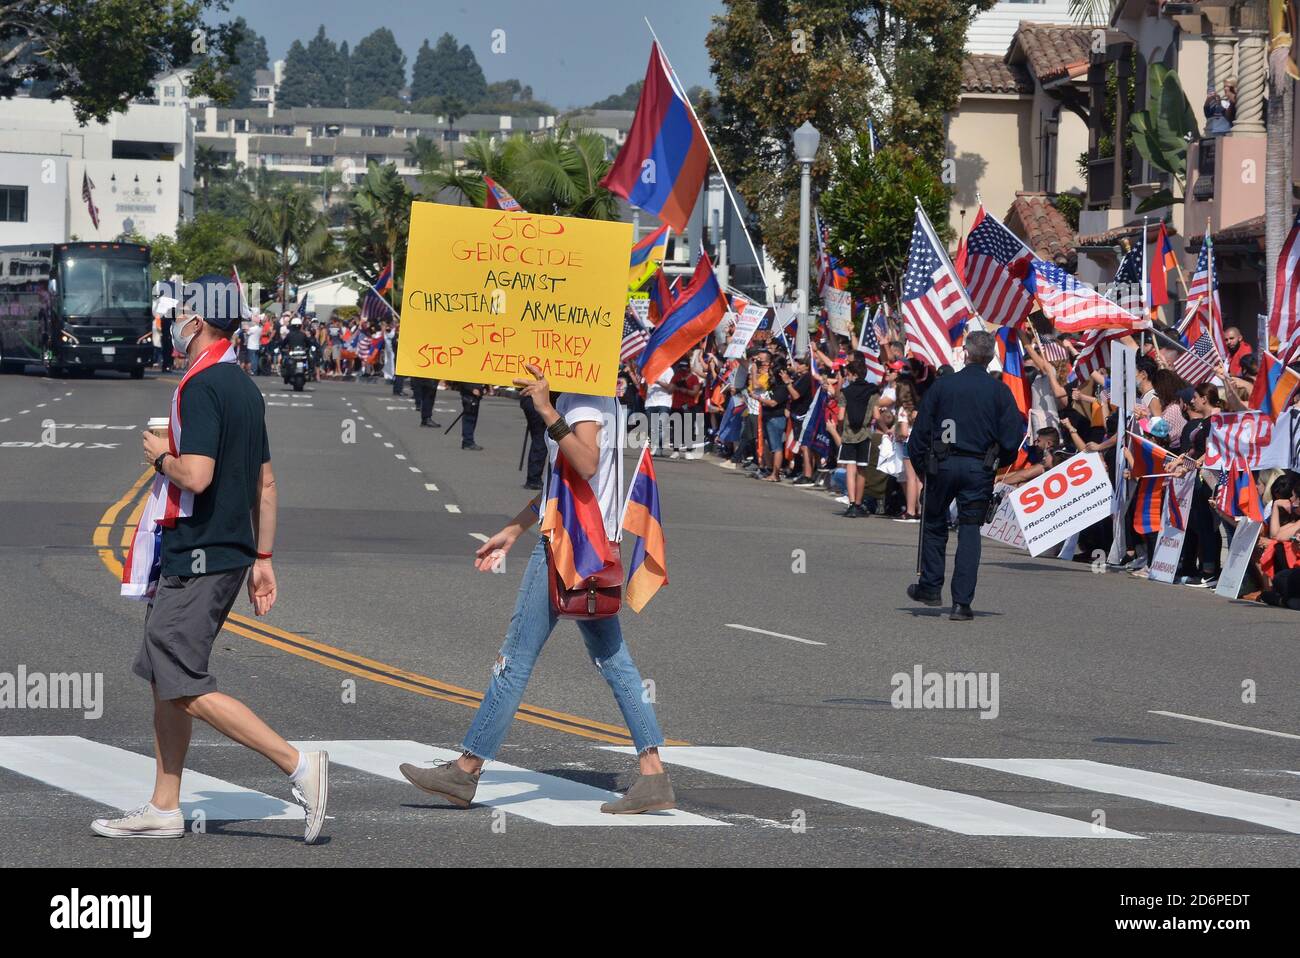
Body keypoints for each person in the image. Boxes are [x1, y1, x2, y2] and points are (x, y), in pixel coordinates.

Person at [97, 275, 327, 844]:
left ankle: (298, 764)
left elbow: (196, 475)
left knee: (182, 682)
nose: (176, 322)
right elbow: (266, 484)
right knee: (163, 676)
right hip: (225, 553)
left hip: (198, 555)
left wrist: (161, 457)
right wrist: (263, 557)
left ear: (198, 322)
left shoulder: (201, 387)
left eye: (182, 315)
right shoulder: (245, 387)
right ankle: (165, 805)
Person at [398, 363, 673, 814]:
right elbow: (559, 485)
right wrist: (513, 529)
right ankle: (653, 773)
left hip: (567, 548)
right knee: (613, 659)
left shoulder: (581, 398)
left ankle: (465, 771)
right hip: (590, 545)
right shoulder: (598, 395)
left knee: (515, 661)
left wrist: (547, 409)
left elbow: (585, 463)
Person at [906, 331, 1024, 620]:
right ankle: (962, 603)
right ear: (990, 357)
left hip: (943, 464)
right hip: (978, 468)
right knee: (970, 530)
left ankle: (931, 586)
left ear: (966, 354)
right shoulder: (999, 392)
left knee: (935, 523)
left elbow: (919, 433)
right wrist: (995, 462)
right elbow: (1013, 438)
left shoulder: (943, 386)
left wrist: (923, 470)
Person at [459, 381, 485, 451]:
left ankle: (468, 441)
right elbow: (463, 376)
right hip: (469, 393)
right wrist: (471, 388)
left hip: (475, 391)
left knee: (472, 418)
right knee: (469, 418)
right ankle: (468, 442)